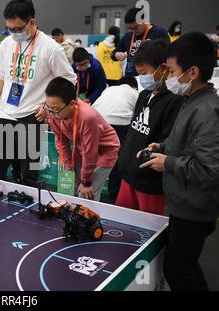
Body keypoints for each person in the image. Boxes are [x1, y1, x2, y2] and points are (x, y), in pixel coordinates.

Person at [141, 32, 219, 291]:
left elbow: (209, 169)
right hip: (182, 202)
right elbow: (190, 145)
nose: (170, 78)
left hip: (194, 207)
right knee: (184, 262)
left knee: (178, 267)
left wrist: (169, 163)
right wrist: (163, 147)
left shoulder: (206, 111)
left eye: (173, 72)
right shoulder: (192, 100)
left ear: (193, 72)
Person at [0, 0, 77, 186]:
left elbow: (68, 80)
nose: (14, 34)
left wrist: (48, 108)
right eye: (10, 29)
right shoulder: (6, 44)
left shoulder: (51, 48)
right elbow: (2, 74)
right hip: (5, 112)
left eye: (18, 29)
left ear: (32, 22)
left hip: (32, 116)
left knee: (29, 175)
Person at [115, 40, 183, 215]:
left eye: (144, 73)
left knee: (148, 233)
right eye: (138, 74)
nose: (141, 78)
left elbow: (170, 142)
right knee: (122, 224)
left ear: (163, 68)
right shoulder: (144, 94)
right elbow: (133, 130)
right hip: (128, 176)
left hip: (150, 184)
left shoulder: (174, 100)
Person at [45, 77, 120, 202]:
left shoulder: (87, 116)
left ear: (72, 104)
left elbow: (90, 152)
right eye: (48, 108)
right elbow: (61, 143)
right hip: (82, 149)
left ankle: (88, 220)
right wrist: (69, 170)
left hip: (105, 151)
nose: (52, 114)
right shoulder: (53, 112)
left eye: (56, 110)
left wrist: (86, 182)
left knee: (86, 194)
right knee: (69, 187)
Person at [92, 76, 138, 201]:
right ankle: (114, 198)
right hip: (120, 125)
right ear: (134, 86)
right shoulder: (135, 93)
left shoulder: (109, 89)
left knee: (93, 160)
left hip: (96, 122)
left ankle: (89, 197)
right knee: (117, 162)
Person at [111, 7, 169, 76]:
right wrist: (116, 54)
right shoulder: (128, 36)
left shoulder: (159, 33)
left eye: (136, 27)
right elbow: (113, 54)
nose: (133, 30)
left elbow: (167, 55)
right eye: (130, 28)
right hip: (131, 78)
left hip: (151, 77)